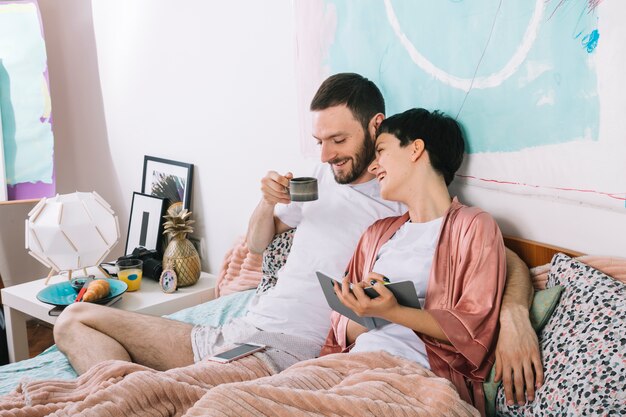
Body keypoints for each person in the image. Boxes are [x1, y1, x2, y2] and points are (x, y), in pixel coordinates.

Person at [54, 73, 540, 406]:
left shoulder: (411, 204)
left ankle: (136, 395)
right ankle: (134, 391)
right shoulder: (352, 207)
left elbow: (500, 257)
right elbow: (259, 244)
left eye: (340, 141)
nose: (328, 155)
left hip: (284, 349)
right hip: (240, 331)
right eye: (320, 142)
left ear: (381, 132)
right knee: (72, 320)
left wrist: (515, 313)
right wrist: (267, 201)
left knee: (169, 397)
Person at [321, 107, 503, 415]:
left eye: (381, 151)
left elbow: (474, 330)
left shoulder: (473, 226)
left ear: (416, 149)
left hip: (416, 378)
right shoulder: (376, 234)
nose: (374, 166)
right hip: (351, 367)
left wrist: (395, 311)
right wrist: (366, 310)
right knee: (228, 400)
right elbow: (340, 329)